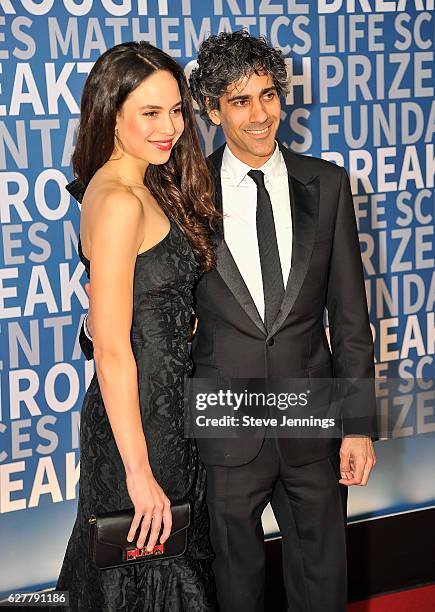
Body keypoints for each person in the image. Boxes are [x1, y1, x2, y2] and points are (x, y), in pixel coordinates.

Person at [80, 31, 378, 612]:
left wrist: (359, 424)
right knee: (232, 590)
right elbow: (138, 295)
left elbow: (350, 316)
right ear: (212, 112)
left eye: (268, 95)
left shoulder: (328, 183)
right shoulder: (178, 191)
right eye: (239, 102)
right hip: (221, 431)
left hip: (312, 421)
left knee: (323, 585)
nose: (260, 114)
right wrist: (96, 331)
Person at [56, 41, 219, 612]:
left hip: (163, 413)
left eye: (176, 110)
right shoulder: (122, 199)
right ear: (111, 112)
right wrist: (139, 471)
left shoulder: (128, 182)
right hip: (144, 424)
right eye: (150, 113)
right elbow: (112, 350)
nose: (169, 126)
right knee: (149, 569)